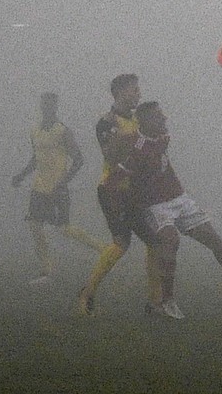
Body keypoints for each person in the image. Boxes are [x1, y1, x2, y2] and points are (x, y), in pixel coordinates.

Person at [115, 100, 222, 320]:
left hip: (180, 199)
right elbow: (123, 176)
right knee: (171, 242)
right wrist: (125, 206)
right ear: (146, 121)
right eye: (159, 116)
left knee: (215, 242)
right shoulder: (138, 147)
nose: (165, 118)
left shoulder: (159, 138)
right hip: (155, 206)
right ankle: (167, 302)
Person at [76, 73, 160, 316]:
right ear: (120, 92)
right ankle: (87, 292)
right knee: (121, 244)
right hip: (113, 190)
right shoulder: (107, 122)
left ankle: (155, 303)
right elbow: (111, 157)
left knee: (155, 242)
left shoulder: (138, 121)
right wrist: (134, 139)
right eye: (134, 90)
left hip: (134, 192)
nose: (139, 94)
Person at [11, 92, 106, 284]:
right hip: (39, 186)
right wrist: (21, 174)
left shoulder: (62, 131)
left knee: (64, 228)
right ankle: (47, 270)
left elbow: (78, 159)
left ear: (55, 107)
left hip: (58, 187)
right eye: (44, 103)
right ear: (40, 106)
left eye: (50, 104)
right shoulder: (35, 131)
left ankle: (104, 250)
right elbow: (36, 158)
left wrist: (64, 181)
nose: (47, 107)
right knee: (35, 225)